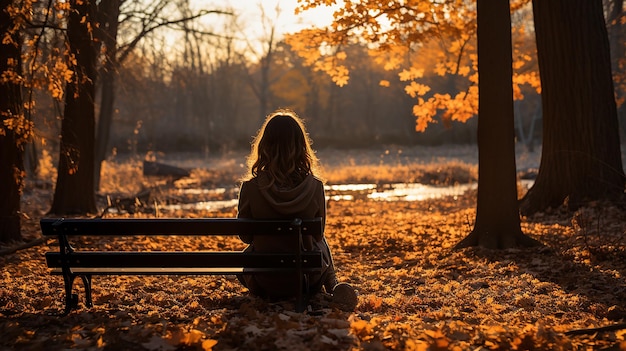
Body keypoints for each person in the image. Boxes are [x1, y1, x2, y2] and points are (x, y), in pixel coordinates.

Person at [237, 108, 357, 311]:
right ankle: (333, 285)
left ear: (265, 146)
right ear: (301, 146)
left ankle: (333, 284)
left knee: (250, 254)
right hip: (305, 278)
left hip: (263, 279)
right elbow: (318, 235)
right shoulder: (315, 186)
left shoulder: (250, 187)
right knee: (320, 241)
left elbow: (245, 236)